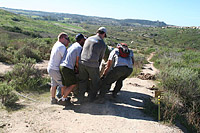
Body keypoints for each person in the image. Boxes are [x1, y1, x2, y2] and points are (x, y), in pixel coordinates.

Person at [78, 27, 107, 103]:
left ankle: (80, 98)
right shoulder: (102, 44)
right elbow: (100, 58)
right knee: (95, 82)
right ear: (104, 34)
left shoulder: (88, 39)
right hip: (92, 64)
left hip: (82, 62)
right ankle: (91, 98)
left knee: (82, 81)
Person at [58, 33, 86, 106]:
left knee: (64, 84)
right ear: (82, 40)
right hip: (68, 67)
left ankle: (63, 98)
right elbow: (77, 60)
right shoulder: (79, 47)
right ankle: (63, 99)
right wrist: (77, 68)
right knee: (73, 84)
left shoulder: (73, 45)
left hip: (62, 66)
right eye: (84, 40)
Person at [47, 32, 70, 104]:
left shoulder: (56, 44)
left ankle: (53, 99)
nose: (68, 41)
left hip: (51, 68)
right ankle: (63, 99)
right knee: (63, 85)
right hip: (56, 69)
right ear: (62, 38)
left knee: (53, 85)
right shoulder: (61, 47)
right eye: (67, 39)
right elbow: (66, 58)